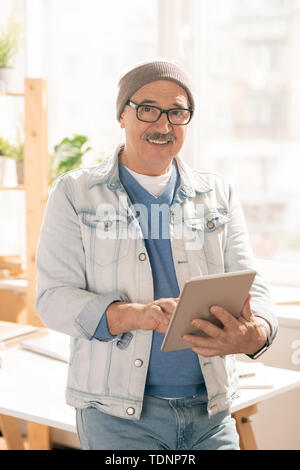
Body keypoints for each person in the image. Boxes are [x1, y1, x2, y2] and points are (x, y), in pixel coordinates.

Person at [35, 59, 278, 450]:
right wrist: (136, 315)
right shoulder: (75, 194)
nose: (163, 125)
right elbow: (53, 299)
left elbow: (256, 289)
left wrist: (255, 333)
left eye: (177, 112)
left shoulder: (218, 193)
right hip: (118, 417)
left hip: (211, 412)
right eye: (147, 109)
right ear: (122, 115)